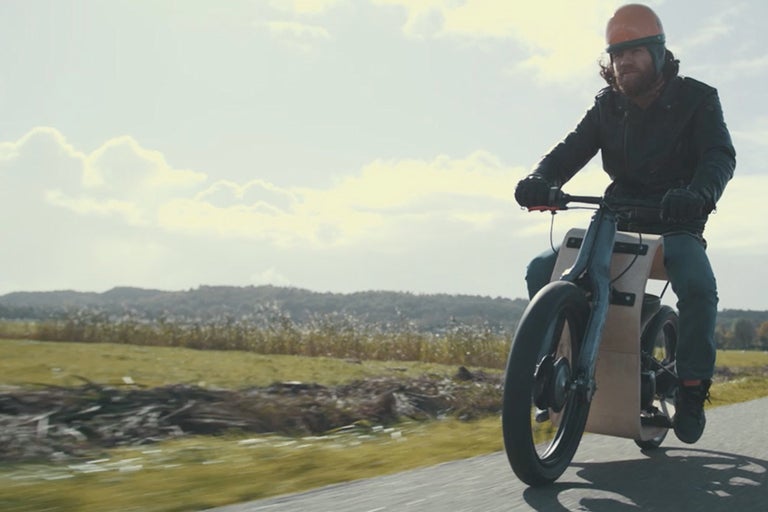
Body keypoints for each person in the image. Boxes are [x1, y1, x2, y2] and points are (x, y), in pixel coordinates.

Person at [514, 3, 735, 444]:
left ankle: (692, 389)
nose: (623, 62)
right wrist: (542, 178)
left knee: (696, 284)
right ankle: (555, 369)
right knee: (542, 269)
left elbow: (719, 157)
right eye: (616, 54)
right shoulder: (607, 107)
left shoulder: (698, 99)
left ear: (658, 52)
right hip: (615, 217)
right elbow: (568, 151)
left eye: (634, 51)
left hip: (675, 219)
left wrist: (696, 195)